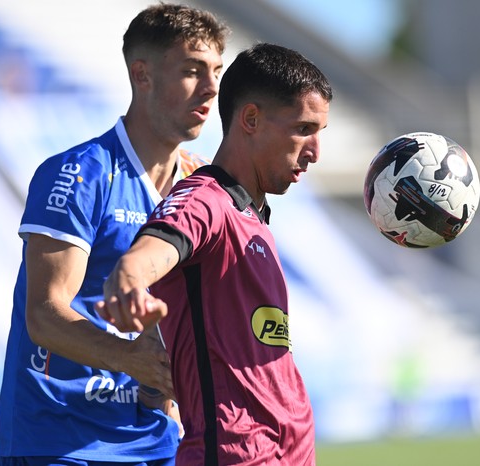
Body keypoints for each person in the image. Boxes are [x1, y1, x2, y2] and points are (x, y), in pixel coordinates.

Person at [0, 4, 228, 465]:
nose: (211, 87)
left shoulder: (200, 187)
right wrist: (130, 359)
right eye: (191, 70)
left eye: (216, 71)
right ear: (142, 75)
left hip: (154, 440)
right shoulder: (77, 174)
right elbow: (43, 314)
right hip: (56, 440)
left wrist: (171, 398)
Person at [96, 43, 333, 465]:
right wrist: (128, 281)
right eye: (303, 129)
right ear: (252, 119)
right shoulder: (205, 200)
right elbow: (147, 254)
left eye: (320, 132)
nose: (315, 150)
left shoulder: (253, 215)